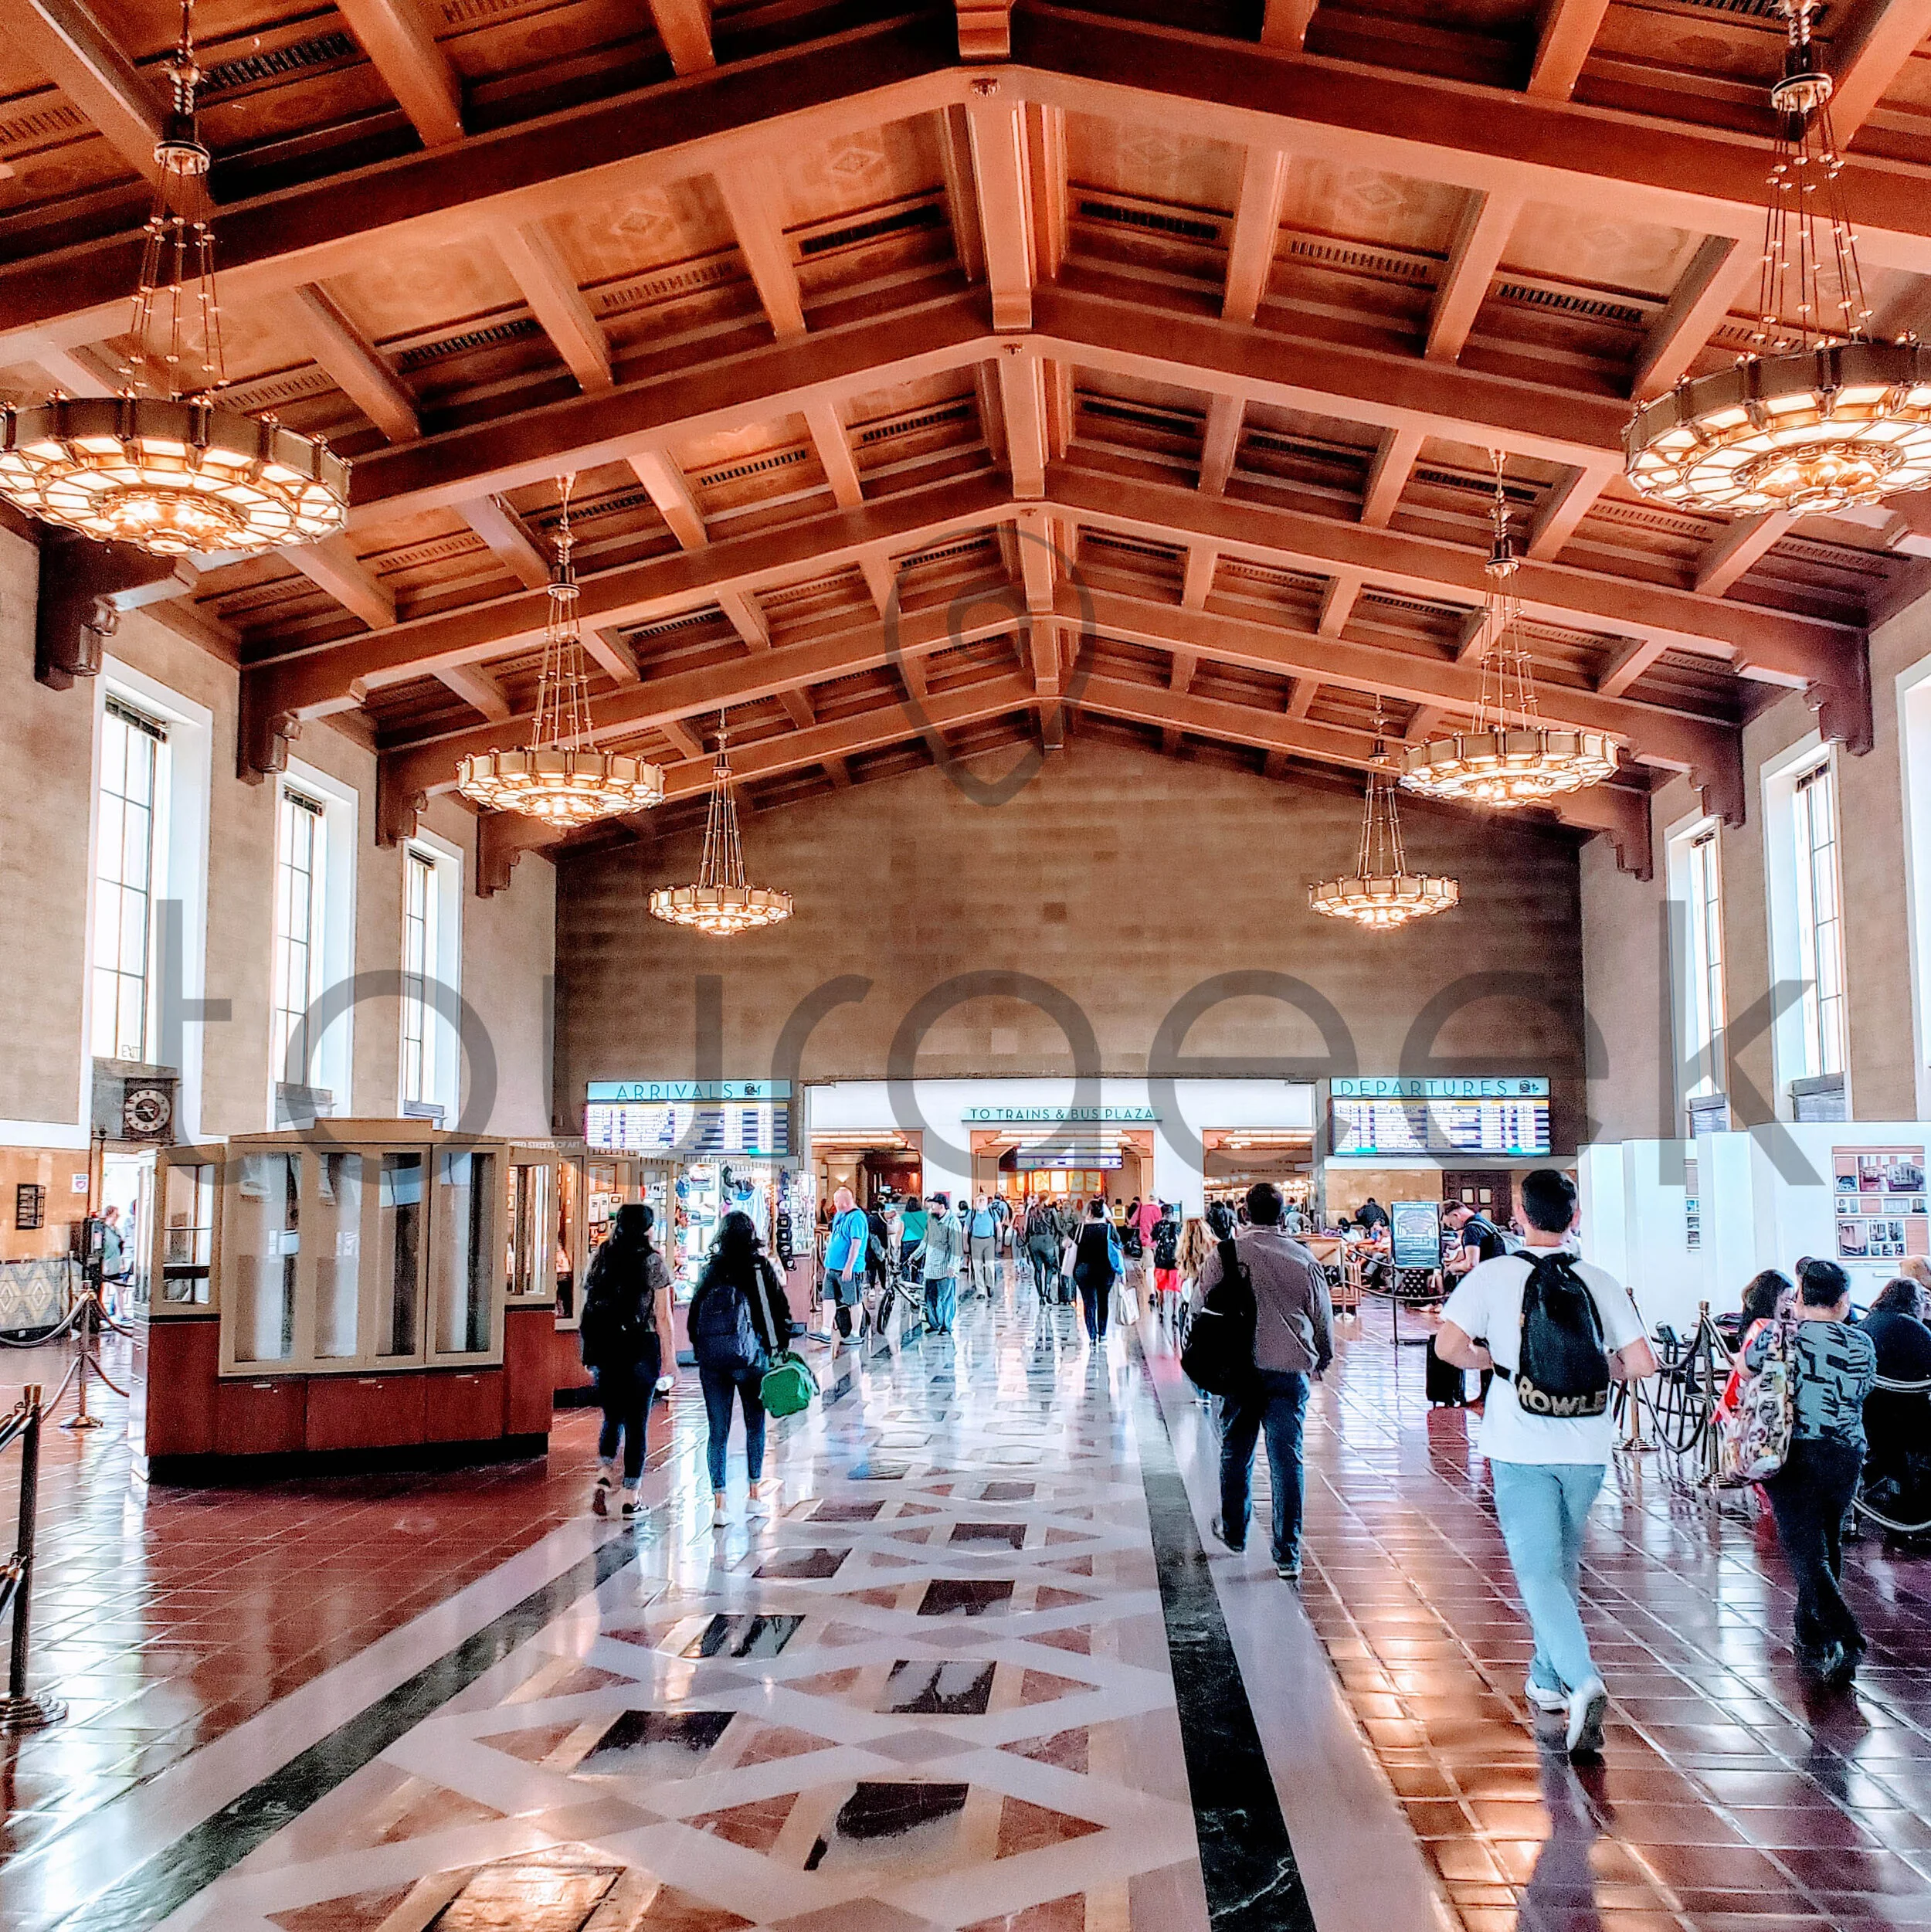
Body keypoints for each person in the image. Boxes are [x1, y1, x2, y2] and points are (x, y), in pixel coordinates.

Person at [1436, 1168, 1657, 1760]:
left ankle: (1584, 1680)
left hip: (1520, 1441)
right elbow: (1641, 1361)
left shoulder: (1493, 1275)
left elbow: (1448, 1347)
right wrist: (1596, 1366)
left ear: (1519, 1213)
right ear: (1575, 1216)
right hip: (1587, 1443)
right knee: (1561, 1559)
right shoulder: (1598, 1280)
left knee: (1537, 1569)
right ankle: (1547, 1676)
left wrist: (1494, 1358)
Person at [1747, 1258, 1877, 1684]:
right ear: (1842, 1301)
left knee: (1804, 1548)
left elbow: (1747, 1365)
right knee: (1826, 1536)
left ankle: (1845, 1635)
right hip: (1845, 1452)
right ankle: (1809, 1630)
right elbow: (1866, 1390)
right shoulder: (1862, 1343)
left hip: (1794, 1450)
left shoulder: (1781, 1335)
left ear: (1801, 1298)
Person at [1195, 1183, 1333, 1582]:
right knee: (1287, 1458)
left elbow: (1199, 1305)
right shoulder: (1303, 1258)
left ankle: (1236, 1532)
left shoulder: (1225, 1255)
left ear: (1244, 1214)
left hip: (1238, 1370)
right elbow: (1321, 1316)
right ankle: (1287, 1552)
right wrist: (1322, 1358)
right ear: (1283, 1213)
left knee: (1236, 1451)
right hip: (1288, 1370)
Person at [688, 1210, 792, 1526]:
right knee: (754, 1425)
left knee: (717, 1432)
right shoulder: (759, 1267)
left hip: (714, 1362)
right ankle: (753, 1495)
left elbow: (694, 1316)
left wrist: (702, 1349)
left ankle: (719, 1503)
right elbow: (776, 1310)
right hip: (752, 1358)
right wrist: (778, 1349)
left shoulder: (712, 1269)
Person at [579, 1203, 674, 1519]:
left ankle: (605, 1473)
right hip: (640, 1347)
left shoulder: (601, 1256)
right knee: (637, 1423)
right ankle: (631, 1497)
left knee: (612, 1416)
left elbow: (588, 1299)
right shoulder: (653, 1262)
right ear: (648, 1228)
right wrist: (669, 1360)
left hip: (605, 1347)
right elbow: (662, 1316)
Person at [823, 1186, 869, 1350]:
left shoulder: (857, 1218)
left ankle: (855, 1333)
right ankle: (826, 1330)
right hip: (832, 1267)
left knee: (853, 1300)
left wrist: (848, 1266)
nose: (834, 1204)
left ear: (844, 1201)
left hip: (850, 1268)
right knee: (828, 1297)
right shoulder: (839, 1216)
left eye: (836, 1200)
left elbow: (856, 1244)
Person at [1071, 1199, 1121, 1345]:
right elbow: (1118, 1247)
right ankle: (1103, 1333)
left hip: (1084, 1269)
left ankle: (1092, 1336)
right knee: (1103, 1300)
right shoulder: (1109, 1229)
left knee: (1089, 1302)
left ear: (1090, 1213)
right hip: (1105, 1270)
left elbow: (1065, 1243)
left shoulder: (1079, 1229)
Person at [923, 1191, 963, 1334]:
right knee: (930, 1298)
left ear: (941, 1206)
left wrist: (953, 1266)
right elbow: (926, 1241)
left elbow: (956, 1246)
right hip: (930, 1268)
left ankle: (946, 1326)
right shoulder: (931, 1219)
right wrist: (914, 1256)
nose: (931, 1207)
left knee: (946, 1298)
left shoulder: (953, 1222)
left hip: (945, 1268)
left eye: (933, 1204)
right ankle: (934, 1324)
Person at [1025, 1197, 1061, 1301]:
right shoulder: (1051, 1211)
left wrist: (1027, 1242)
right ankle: (1047, 1291)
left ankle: (1040, 1295)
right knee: (1049, 1267)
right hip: (1048, 1241)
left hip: (1034, 1242)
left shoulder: (1031, 1211)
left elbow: (1027, 1229)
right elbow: (1058, 1228)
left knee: (1038, 1269)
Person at [1151, 1202, 1182, 1324]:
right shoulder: (1177, 1226)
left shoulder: (1158, 1226)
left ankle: (1162, 1311)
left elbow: (1153, 1239)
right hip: (1175, 1262)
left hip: (1160, 1261)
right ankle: (1175, 1313)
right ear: (1172, 1213)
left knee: (1161, 1288)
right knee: (1176, 1289)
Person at [968, 1193, 999, 1297]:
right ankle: (981, 1291)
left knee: (990, 1265)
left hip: (989, 1241)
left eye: (983, 1200)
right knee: (977, 1267)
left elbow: (998, 1227)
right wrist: (965, 1244)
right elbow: (965, 1229)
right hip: (975, 1241)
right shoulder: (972, 1214)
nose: (981, 1202)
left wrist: (999, 1242)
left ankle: (990, 1285)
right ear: (975, 1202)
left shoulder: (992, 1212)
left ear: (987, 1201)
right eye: (979, 1200)